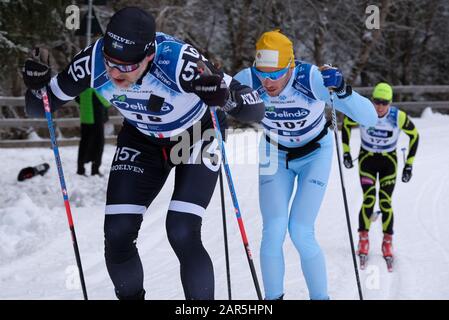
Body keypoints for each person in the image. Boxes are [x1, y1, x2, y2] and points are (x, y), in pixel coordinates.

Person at [22, 7, 264, 300]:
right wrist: (35, 87)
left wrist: (224, 98)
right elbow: (41, 106)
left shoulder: (179, 62)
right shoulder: (93, 61)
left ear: (149, 55)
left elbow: (254, 108)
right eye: (111, 63)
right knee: (117, 233)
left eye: (126, 67)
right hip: (142, 139)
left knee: (181, 229)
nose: (114, 73)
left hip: (197, 135)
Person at [234, 29, 377, 300]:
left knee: (300, 230)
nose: (267, 81)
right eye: (262, 72)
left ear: (290, 65)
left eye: (275, 74)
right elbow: (215, 99)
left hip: (315, 153)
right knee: (273, 230)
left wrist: (343, 90)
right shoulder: (247, 80)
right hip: (274, 153)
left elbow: (370, 118)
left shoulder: (311, 79)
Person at [342, 82, 419, 266]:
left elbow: (414, 135)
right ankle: (363, 239)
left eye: (384, 102)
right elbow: (345, 125)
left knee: (385, 202)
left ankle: (387, 241)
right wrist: (346, 152)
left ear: (390, 103)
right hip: (367, 160)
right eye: (377, 101)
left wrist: (409, 165)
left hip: (388, 162)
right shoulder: (365, 113)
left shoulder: (397, 117)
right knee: (369, 199)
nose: (380, 106)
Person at [76, 88, 111, 176]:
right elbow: (106, 100)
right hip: (96, 115)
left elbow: (77, 98)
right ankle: (95, 169)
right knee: (99, 143)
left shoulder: (83, 82)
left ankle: (80, 168)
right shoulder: (97, 84)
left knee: (84, 142)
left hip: (85, 115)